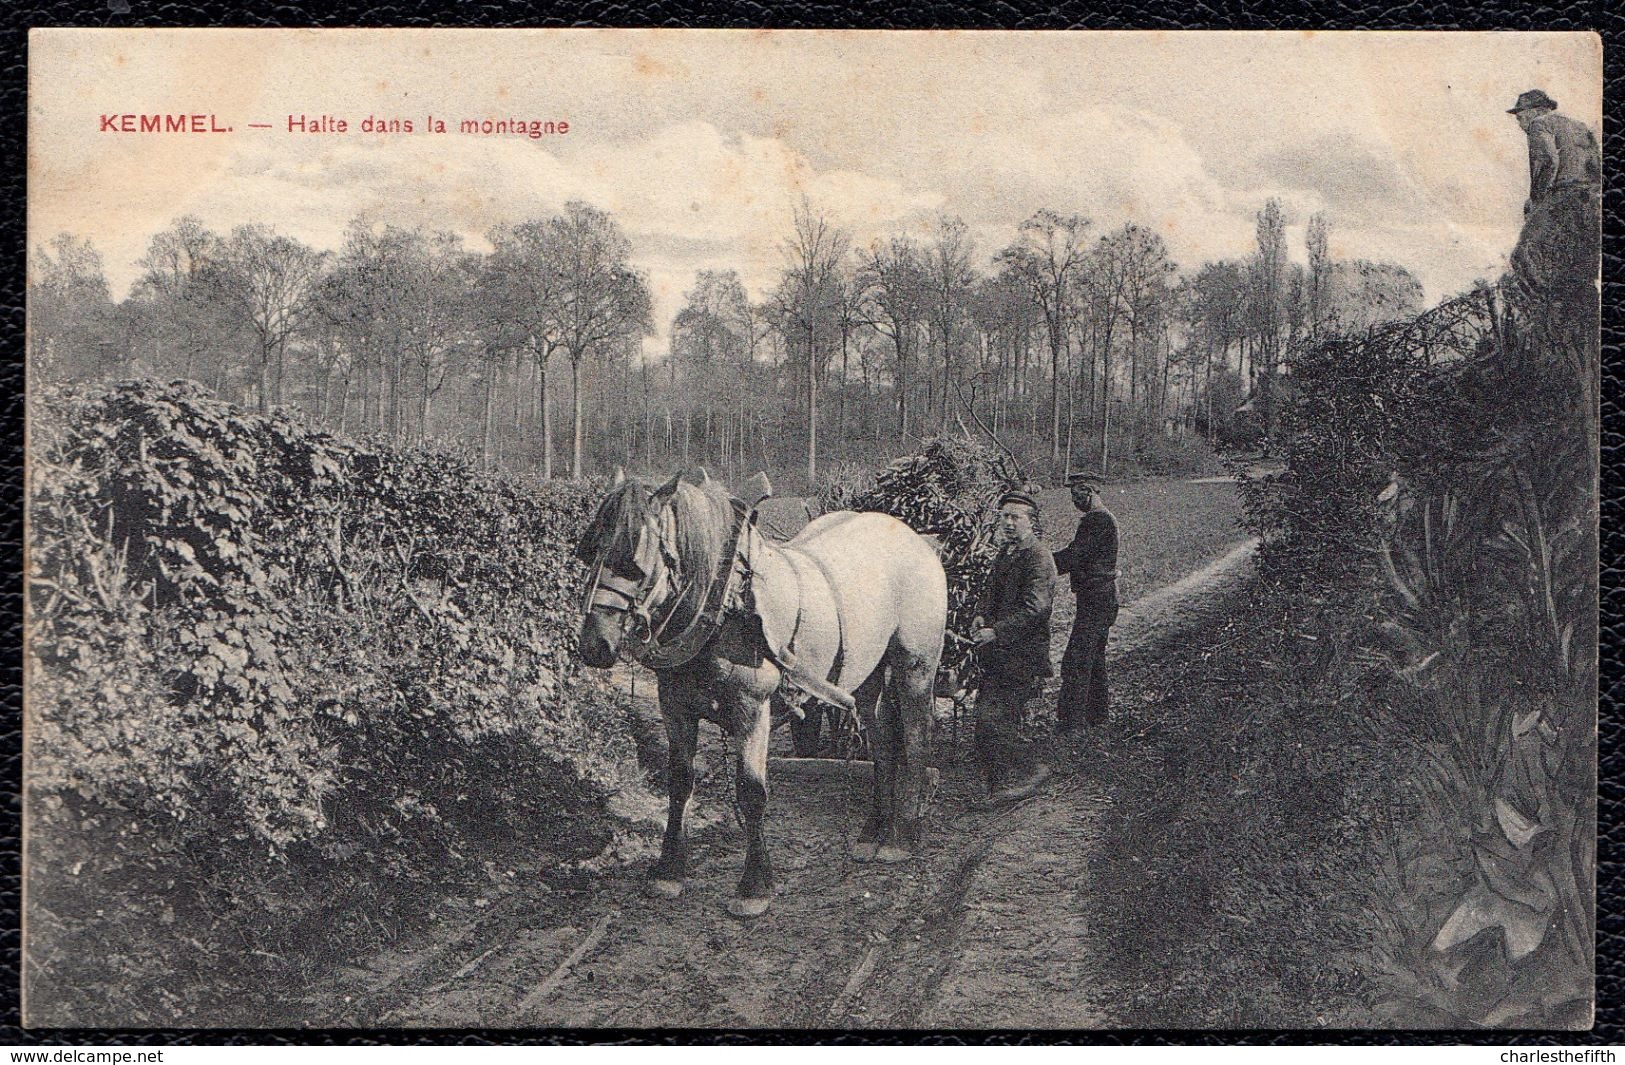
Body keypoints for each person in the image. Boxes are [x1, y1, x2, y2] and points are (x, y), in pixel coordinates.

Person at [970, 488, 1057, 803]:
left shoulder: (1038, 556)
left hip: (1023, 655)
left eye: (1015, 517)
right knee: (988, 718)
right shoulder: (1006, 554)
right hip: (1000, 655)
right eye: (1004, 516)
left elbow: (1036, 610)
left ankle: (1027, 771)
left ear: (1030, 522)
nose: (1008, 523)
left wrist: (997, 631)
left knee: (992, 719)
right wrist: (981, 615)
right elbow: (990, 593)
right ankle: (1001, 782)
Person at [1506, 89, 1601, 299]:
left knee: (1522, 256)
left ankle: (1546, 301)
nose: (1520, 124)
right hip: (1592, 202)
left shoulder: (1539, 124)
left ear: (1535, 111)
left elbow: (1547, 161)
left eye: (1520, 117)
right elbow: (1597, 165)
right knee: (1580, 269)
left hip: (1564, 196)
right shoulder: (1580, 126)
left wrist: (1536, 201)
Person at [1052, 473, 1119, 733]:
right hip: (1100, 597)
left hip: (1096, 599)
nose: (1073, 499)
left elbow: (1075, 556)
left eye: (1076, 494)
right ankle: (1097, 716)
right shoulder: (1101, 519)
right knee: (1094, 656)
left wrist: (1042, 563)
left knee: (1076, 659)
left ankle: (1071, 724)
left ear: (1089, 491)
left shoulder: (1097, 520)